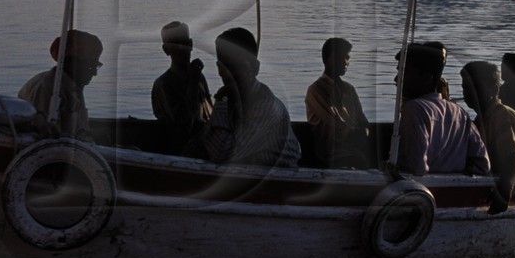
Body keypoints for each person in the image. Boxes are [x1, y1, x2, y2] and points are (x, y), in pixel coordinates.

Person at [198, 28, 300, 169]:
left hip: (280, 183)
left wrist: (222, 101)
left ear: (255, 68)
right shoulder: (232, 102)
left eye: (234, 66)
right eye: (222, 66)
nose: (227, 74)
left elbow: (222, 155)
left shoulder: (266, 107)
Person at [395, 42, 488, 177]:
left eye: (405, 73)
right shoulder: (460, 112)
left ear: (427, 78)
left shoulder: (414, 109)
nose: (397, 79)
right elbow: (482, 164)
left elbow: (416, 168)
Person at [460, 60, 515, 213]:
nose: (469, 93)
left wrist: (504, 190)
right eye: (465, 88)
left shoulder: (503, 116)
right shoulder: (480, 120)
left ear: (493, 89)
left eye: (475, 87)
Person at [18, 29, 103, 139]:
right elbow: (45, 138)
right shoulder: (49, 87)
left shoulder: (73, 86)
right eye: (91, 67)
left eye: (96, 67)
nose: (95, 73)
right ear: (72, 62)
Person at [305, 37, 373, 168]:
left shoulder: (349, 89)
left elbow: (362, 119)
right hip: (330, 155)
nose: (346, 62)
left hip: (354, 152)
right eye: (342, 57)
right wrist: (356, 133)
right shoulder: (316, 90)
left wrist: (365, 130)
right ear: (329, 58)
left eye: (347, 58)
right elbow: (336, 123)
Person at [150, 21, 213, 155]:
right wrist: (192, 84)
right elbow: (182, 128)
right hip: (179, 152)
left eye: (184, 43)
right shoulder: (163, 84)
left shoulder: (199, 78)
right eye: (175, 44)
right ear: (166, 50)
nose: (181, 48)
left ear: (190, 45)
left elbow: (210, 116)